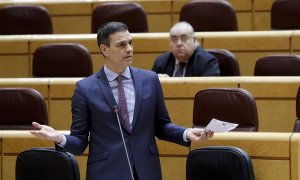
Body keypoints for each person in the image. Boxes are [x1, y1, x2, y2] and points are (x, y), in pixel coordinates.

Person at [31, 21, 214, 180]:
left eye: (130, 43)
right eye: (121, 45)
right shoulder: (85, 89)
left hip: (146, 171)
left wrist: (186, 133)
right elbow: (79, 141)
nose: (129, 49)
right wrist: (59, 137)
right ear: (104, 50)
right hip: (105, 173)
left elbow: (161, 126)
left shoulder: (150, 80)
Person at [152, 21, 220, 77]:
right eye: (174, 39)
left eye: (184, 38)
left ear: (194, 40)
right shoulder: (161, 62)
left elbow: (208, 91)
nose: (179, 43)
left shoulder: (207, 62)